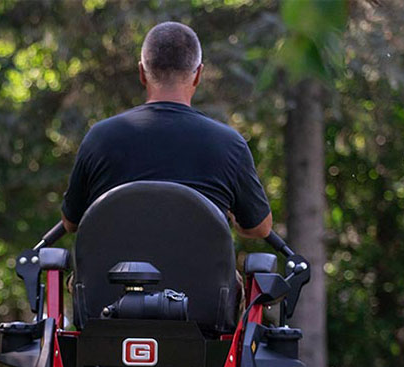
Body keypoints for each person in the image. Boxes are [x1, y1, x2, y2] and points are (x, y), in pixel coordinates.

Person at [61, 21, 273, 239]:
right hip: (199, 274)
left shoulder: (99, 138)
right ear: (198, 74)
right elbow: (260, 228)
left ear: (142, 72)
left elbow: (70, 222)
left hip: (110, 273)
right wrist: (233, 216)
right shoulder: (229, 145)